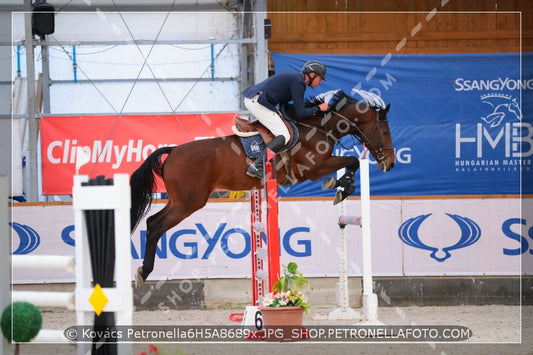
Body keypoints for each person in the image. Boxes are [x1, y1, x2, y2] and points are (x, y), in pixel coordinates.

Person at [241, 60, 330, 179]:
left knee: (283, 129)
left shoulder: (296, 79)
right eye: (320, 78)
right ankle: (257, 166)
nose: (320, 82)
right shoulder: (299, 82)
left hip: (256, 99)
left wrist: (312, 108)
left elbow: (286, 107)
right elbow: (300, 112)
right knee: (284, 135)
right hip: (257, 102)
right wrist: (318, 108)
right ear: (312, 75)